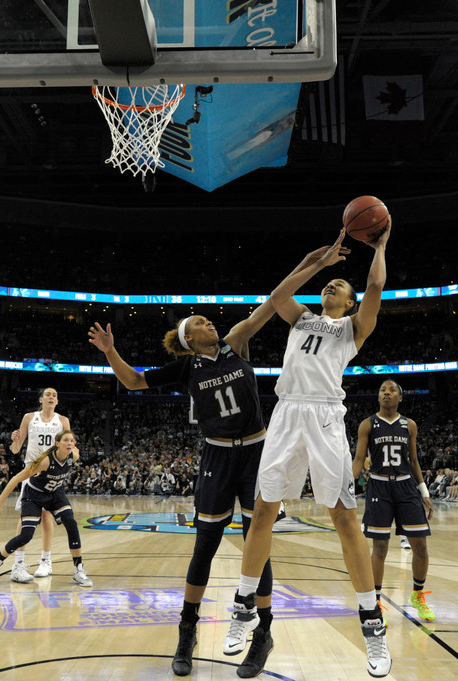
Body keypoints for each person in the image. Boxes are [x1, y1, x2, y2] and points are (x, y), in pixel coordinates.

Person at [90, 266, 312, 677]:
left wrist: (312, 264)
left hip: (257, 453)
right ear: (189, 338)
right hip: (217, 457)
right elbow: (135, 380)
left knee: (255, 542)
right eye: (201, 322)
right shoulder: (186, 368)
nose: (210, 322)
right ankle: (186, 631)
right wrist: (109, 351)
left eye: (209, 319)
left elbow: (270, 304)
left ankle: (263, 633)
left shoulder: (236, 342)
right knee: (204, 546)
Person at [224, 225, 393, 678]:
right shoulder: (301, 317)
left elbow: (375, 286)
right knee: (262, 513)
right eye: (329, 283)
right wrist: (316, 263)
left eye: (341, 285)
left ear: (350, 302)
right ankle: (243, 606)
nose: (332, 285)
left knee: (343, 519)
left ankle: (371, 623)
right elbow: (278, 296)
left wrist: (379, 246)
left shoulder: (352, 329)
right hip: (285, 414)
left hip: (322, 418)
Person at [353, 379, 435, 625]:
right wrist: (348, 483)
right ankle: (375, 602)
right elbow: (358, 458)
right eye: (382, 390)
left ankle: (417, 595)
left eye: (392, 391)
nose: (386, 393)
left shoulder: (409, 424)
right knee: (380, 548)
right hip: (379, 485)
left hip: (406, 485)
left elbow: (413, 460)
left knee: (420, 545)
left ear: (400, 397)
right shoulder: (368, 424)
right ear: (378, 397)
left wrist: (424, 491)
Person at [0, 430, 92, 587]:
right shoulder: (45, 461)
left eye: (72, 441)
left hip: (55, 494)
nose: (70, 443)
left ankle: (78, 571)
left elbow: (75, 451)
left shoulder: (73, 456)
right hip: (34, 496)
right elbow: (15, 479)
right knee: (26, 535)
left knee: (71, 523)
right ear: (57, 443)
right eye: (66, 440)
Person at [7, 387, 71, 580]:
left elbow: (69, 447)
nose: (51, 397)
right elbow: (16, 450)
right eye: (48, 394)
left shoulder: (63, 421)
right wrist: (14, 440)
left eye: (55, 395)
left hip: (51, 472)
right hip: (31, 471)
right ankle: (18, 563)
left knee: (46, 516)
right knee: (25, 517)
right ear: (41, 399)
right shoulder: (29, 417)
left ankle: (46, 561)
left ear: (57, 401)